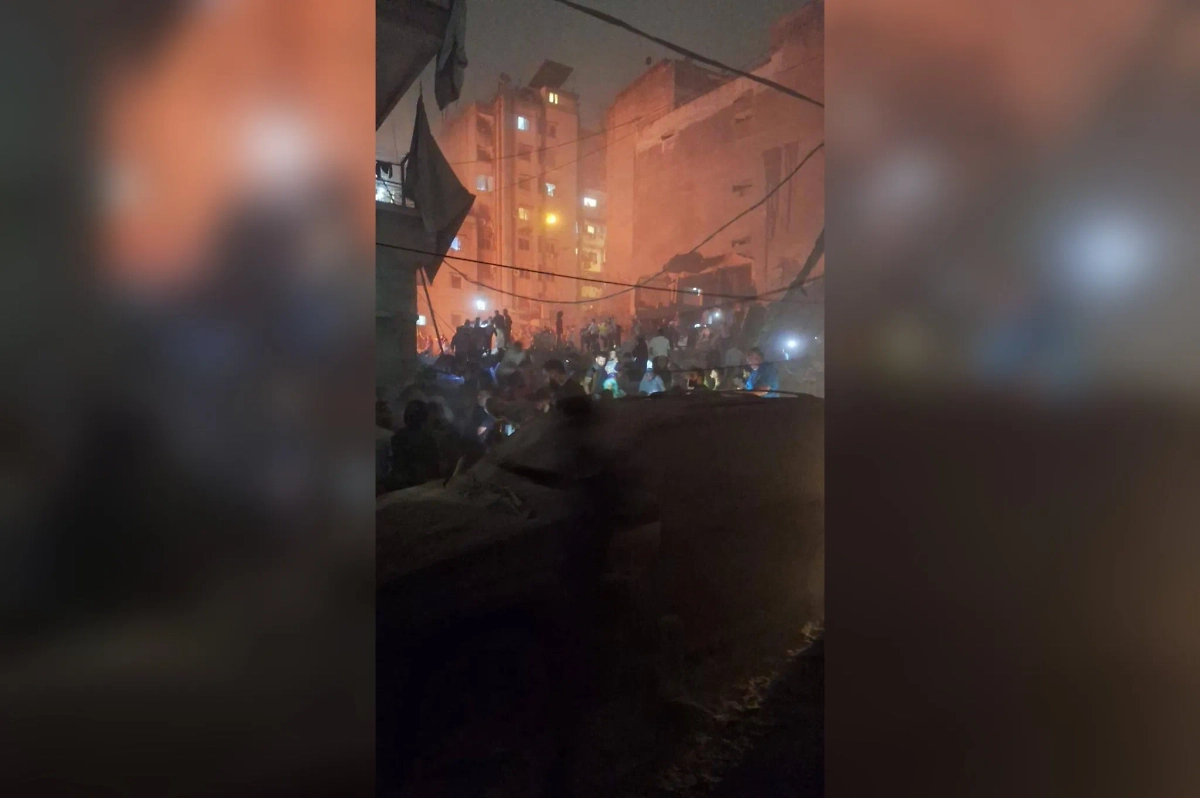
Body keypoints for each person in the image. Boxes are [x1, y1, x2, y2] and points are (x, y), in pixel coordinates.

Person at [389, 400, 441, 489]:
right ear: (426, 417)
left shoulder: (398, 436)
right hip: (425, 484)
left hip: (401, 484)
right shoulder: (430, 437)